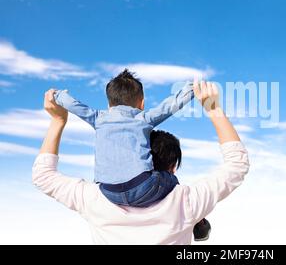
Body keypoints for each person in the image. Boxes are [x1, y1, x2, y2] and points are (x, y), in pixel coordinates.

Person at [32, 81, 250, 244]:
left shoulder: (92, 199)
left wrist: (57, 120)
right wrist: (213, 108)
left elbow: (42, 176)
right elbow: (236, 165)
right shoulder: (186, 203)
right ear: (172, 165)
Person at [53, 69, 209, 240]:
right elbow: (170, 105)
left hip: (108, 192)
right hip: (143, 186)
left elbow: (75, 106)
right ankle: (198, 224)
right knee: (173, 182)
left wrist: (58, 95)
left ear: (109, 105)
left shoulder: (98, 118)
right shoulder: (143, 118)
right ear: (141, 103)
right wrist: (192, 88)